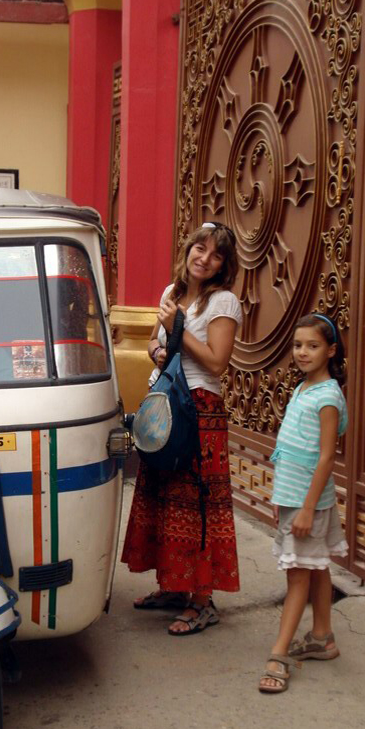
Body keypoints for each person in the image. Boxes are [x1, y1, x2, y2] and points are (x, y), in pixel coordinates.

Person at [121, 221, 242, 635]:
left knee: (197, 504)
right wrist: (157, 348)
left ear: (224, 265)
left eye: (216, 254)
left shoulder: (223, 302)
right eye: (200, 248)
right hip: (165, 405)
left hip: (200, 411)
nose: (204, 258)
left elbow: (215, 361)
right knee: (164, 497)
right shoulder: (170, 294)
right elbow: (153, 343)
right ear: (189, 248)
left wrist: (178, 330)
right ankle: (173, 588)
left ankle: (202, 600)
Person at [259, 313, 348, 693]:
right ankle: (322, 636)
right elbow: (293, 450)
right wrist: (284, 498)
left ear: (330, 351)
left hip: (309, 502)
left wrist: (308, 507)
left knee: (297, 574)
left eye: (312, 346)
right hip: (296, 498)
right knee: (314, 566)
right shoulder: (303, 388)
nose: (302, 352)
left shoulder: (328, 396)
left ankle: (279, 655)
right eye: (298, 345)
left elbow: (327, 457)